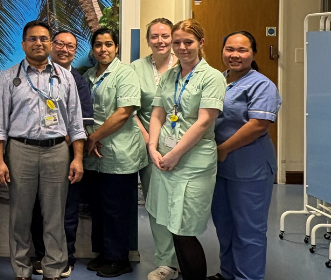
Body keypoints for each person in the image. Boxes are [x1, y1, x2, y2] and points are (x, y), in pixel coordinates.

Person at [0, 20, 86, 280]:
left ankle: (53, 270)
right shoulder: (9, 77)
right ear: (23, 45)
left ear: (50, 43)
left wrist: (77, 158)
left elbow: (76, 122)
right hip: (20, 151)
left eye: (44, 38)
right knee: (20, 217)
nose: (39, 43)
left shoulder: (65, 77)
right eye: (32, 39)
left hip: (57, 152)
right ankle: (21, 270)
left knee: (54, 216)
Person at [147, 19, 226, 280]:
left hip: (193, 162)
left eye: (188, 42)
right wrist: (152, 146)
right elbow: (158, 112)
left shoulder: (212, 76)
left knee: (184, 229)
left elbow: (204, 121)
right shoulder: (170, 75)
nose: (182, 47)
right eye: (177, 42)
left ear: (201, 43)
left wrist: (175, 154)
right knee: (172, 225)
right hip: (166, 159)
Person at [208, 31, 280, 280]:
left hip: (251, 168)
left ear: (253, 53)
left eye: (242, 50)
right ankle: (228, 273)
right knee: (225, 225)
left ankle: (248, 277)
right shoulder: (218, 79)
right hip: (220, 167)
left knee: (249, 229)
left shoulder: (262, 85)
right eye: (229, 49)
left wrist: (224, 149)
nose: (234, 55)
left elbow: (259, 124)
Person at [82, 28, 147, 277]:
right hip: (95, 154)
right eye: (98, 45)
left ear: (117, 47)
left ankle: (119, 259)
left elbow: (123, 113)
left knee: (117, 209)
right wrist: (90, 140)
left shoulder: (125, 74)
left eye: (108, 44)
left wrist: (94, 138)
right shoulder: (88, 76)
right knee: (98, 207)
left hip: (120, 154)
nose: (103, 49)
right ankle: (104, 254)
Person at [30, 30, 94, 277]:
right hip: (35, 153)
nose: (64, 49)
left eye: (70, 46)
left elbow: (83, 118)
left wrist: (58, 140)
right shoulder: (34, 75)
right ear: (50, 45)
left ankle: (65, 257)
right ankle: (41, 254)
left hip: (65, 152)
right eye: (59, 44)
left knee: (66, 208)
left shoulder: (76, 80)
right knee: (38, 207)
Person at [130, 18, 179, 280]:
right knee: (157, 205)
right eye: (155, 36)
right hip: (150, 148)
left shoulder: (184, 66)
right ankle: (166, 262)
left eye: (165, 36)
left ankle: (185, 254)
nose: (160, 41)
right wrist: (151, 142)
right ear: (148, 40)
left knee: (180, 204)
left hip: (182, 146)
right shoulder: (136, 68)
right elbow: (131, 110)